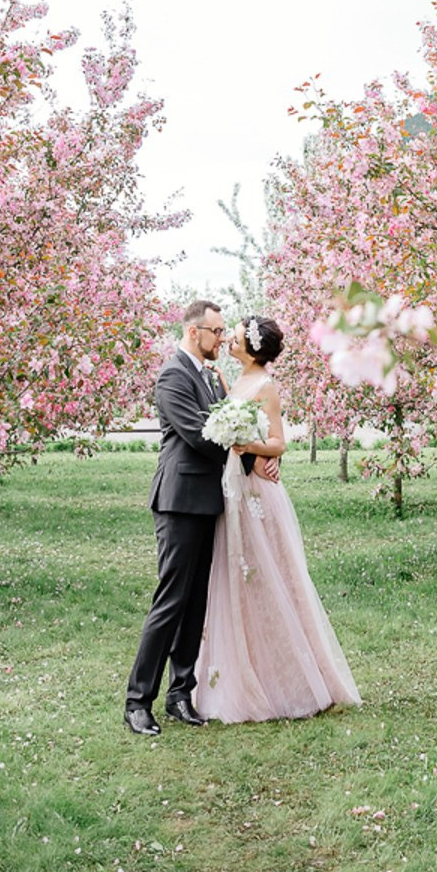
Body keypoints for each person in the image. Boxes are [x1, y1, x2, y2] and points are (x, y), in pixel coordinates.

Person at [193, 314, 361, 723]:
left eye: (233, 338)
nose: (228, 342)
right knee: (239, 576)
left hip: (257, 495)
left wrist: (243, 444)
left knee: (270, 576)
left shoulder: (266, 385)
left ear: (251, 348)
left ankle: (292, 679)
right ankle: (239, 667)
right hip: (234, 489)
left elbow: (278, 443)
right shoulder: (234, 382)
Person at [123, 298, 278, 735]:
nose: (223, 338)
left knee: (196, 606)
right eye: (217, 331)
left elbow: (228, 426)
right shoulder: (173, 375)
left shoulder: (210, 376)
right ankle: (138, 701)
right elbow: (200, 433)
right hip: (178, 501)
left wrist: (258, 460)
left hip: (209, 500)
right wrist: (247, 446)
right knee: (170, 602)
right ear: (196, 333)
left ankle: (180, 694)